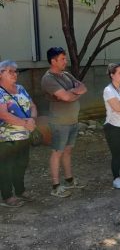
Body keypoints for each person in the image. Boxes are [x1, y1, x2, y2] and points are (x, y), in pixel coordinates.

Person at [41, 47, 87, 198]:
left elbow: (83, 88)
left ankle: (69, 180)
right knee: (57, 153)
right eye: (62, 59)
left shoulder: (66, 74)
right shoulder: (48, 79)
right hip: (59, 123)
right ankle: (55, 186)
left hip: (73, 121)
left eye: (65, 58)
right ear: (53, 61)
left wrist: (71, 93)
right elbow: (66, 97)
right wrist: (73, 93)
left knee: (67, 151)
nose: (65, 61)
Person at [0, 60, 37, 207]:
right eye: (10, 71)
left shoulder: (21, 88)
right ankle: (8, 196)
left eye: (16, 71)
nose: (15, 74)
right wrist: (25, 123)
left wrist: (33, 120)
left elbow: (32, 105)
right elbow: (3, 114)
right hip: (6, 138)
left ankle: (20, 190)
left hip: (24, 135)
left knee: (22, 164)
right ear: (0, 74)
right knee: (6, 166)